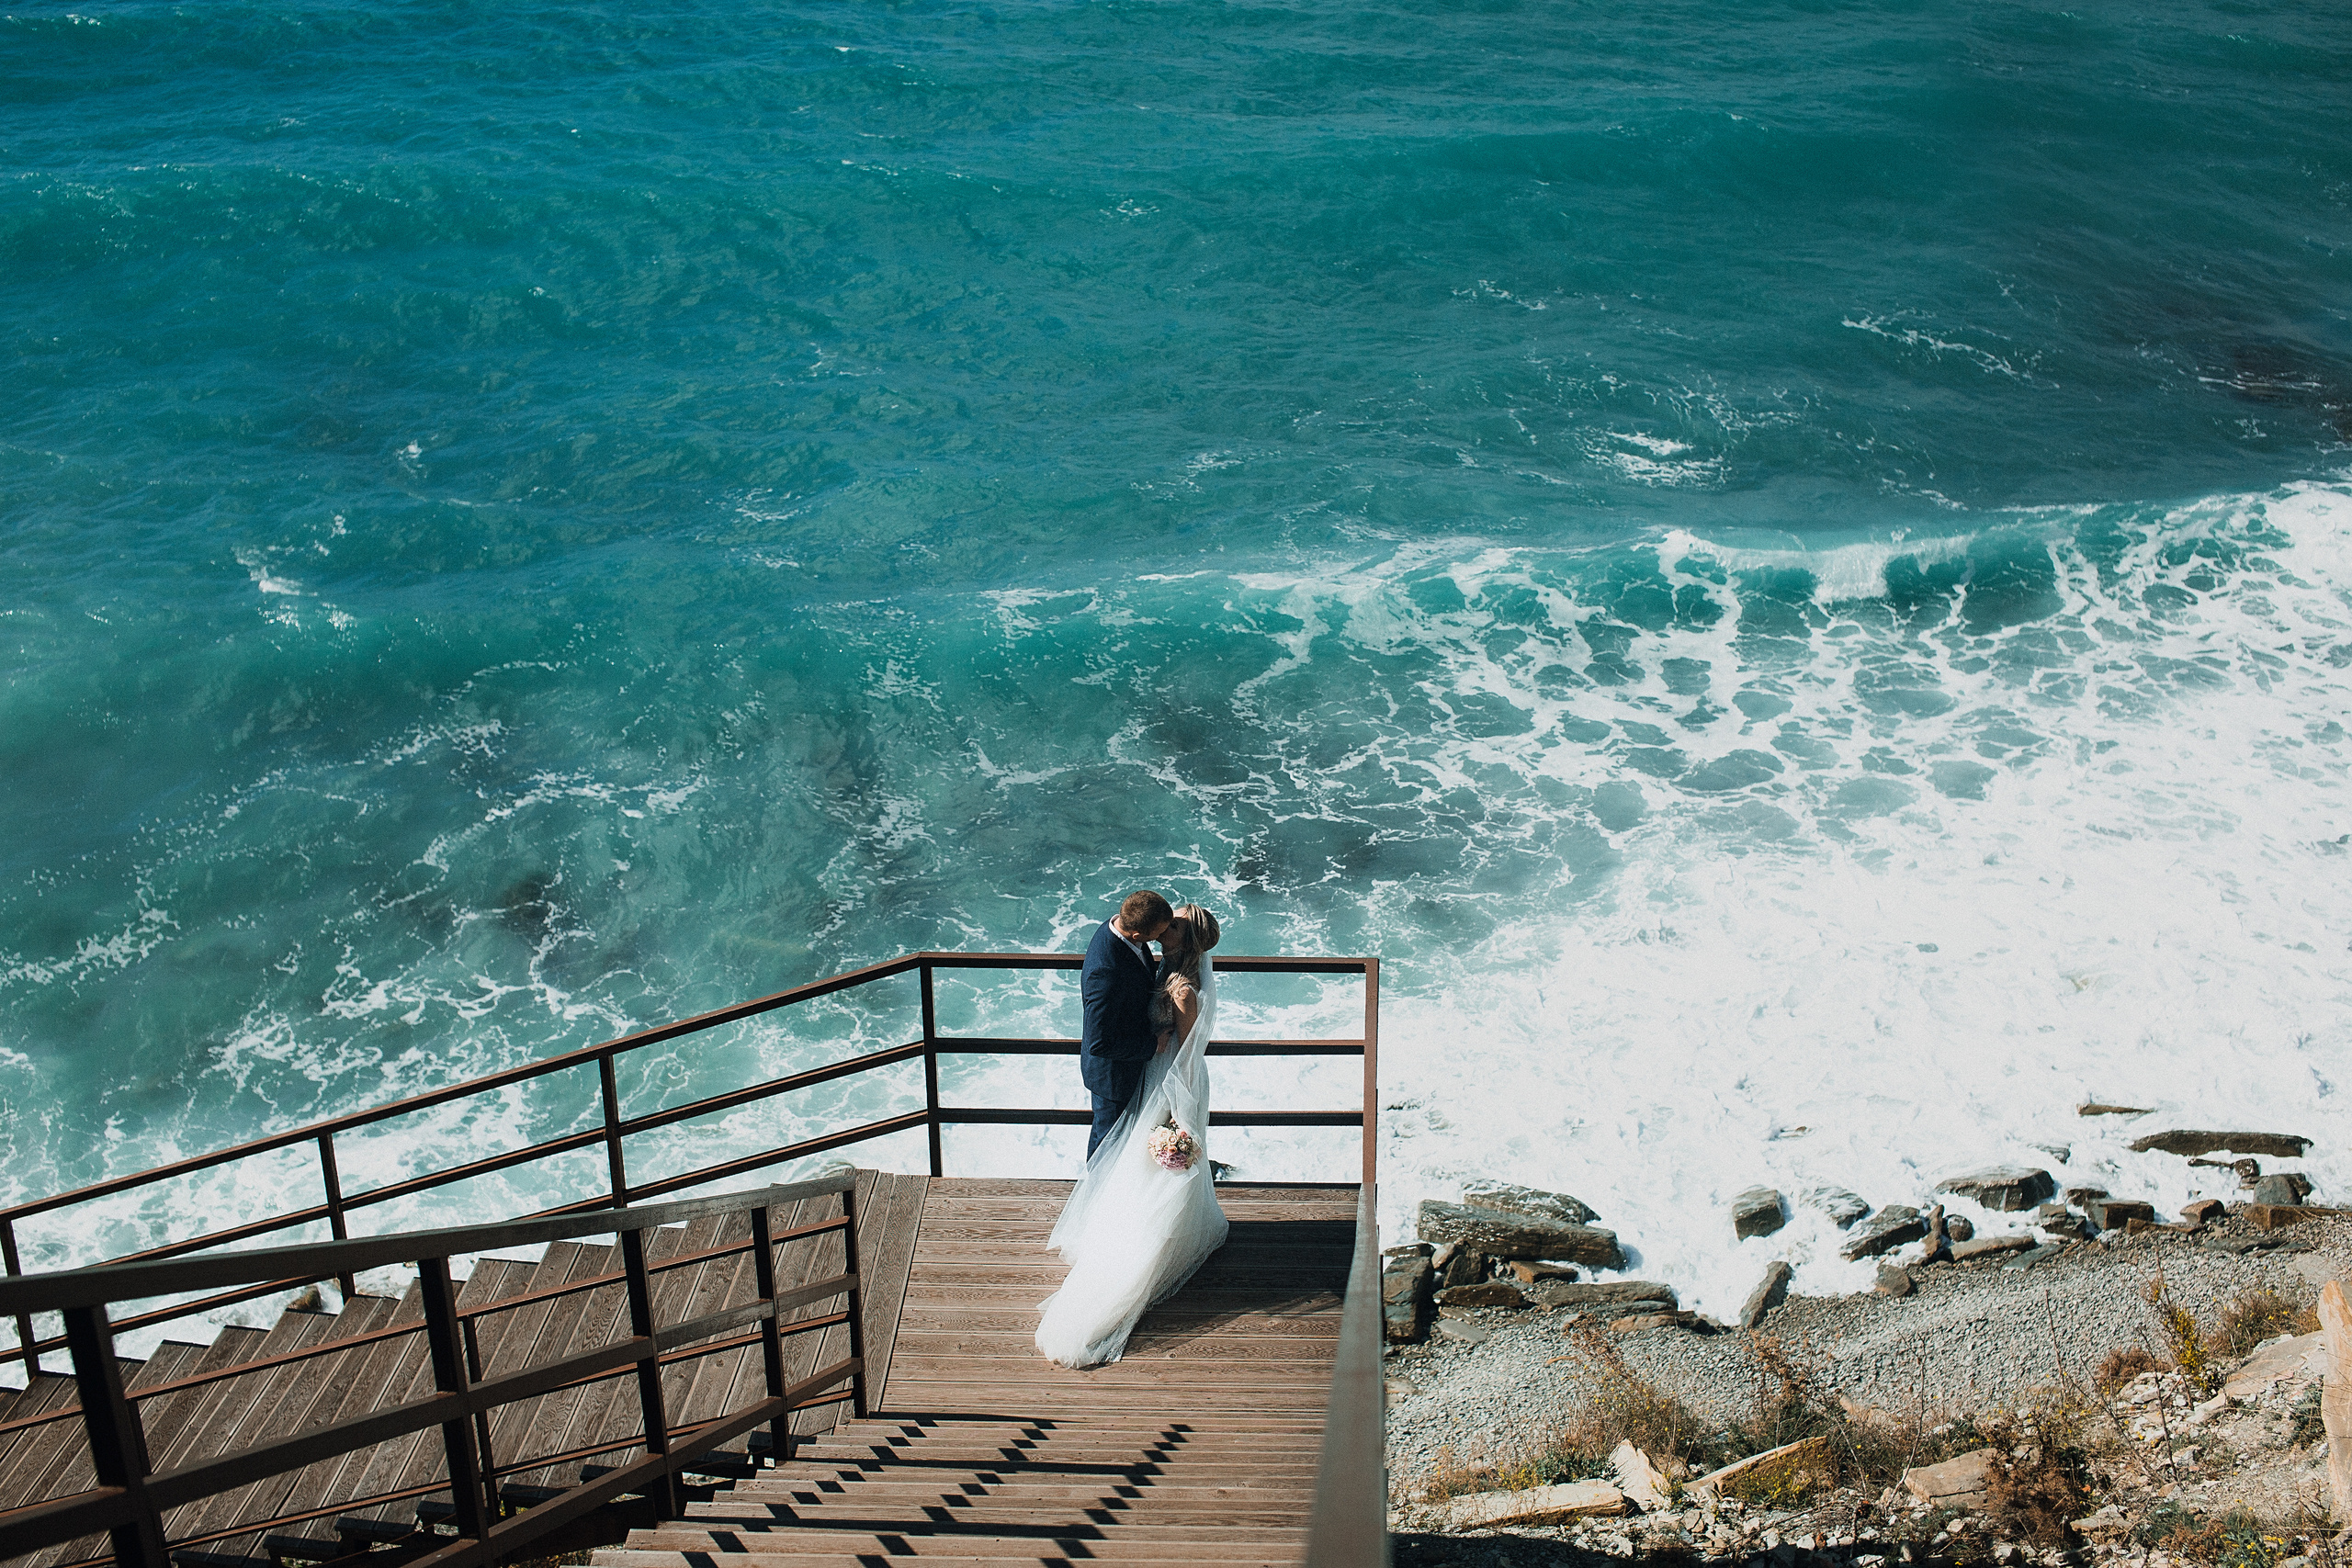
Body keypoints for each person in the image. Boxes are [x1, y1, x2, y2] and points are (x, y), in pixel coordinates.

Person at [1035, 902, 1230, 1368]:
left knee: (1148, 1164)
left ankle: (1152, 1240)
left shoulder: (1182, 988)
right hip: (1143, 1074)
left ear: (1183, 938)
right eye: (1167, 921)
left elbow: (1185, 1055)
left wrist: (1180, 1115)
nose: (1168, 928)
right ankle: (1110, 1225)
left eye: (1176, 925)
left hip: (1169, 1082)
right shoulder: (1158, 961)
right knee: (1122, 1157)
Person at [1079, 890, 1171, 1158]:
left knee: (1124, 1146)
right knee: (1107, 1148)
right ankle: (1097, 1200)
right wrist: (1153, 1045)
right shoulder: (1105, 972)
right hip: (1113, 1077)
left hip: (1125, 1067)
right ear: (1138, 936)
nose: (1162, 938)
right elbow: (1099, 1042)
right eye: (1159, 934)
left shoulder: (1119, 927)